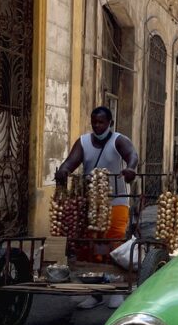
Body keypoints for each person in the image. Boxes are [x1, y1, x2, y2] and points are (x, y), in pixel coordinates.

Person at [55, 106, 139, 309]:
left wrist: (130, 168)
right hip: (92, 204)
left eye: (101, 122)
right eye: (94, 122)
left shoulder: (118, 140)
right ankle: (95, 292)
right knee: (92, 247)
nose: (97, 126)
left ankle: (118, 289)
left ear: (110, 123)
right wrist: (63, 171)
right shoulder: (83, 142)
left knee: (114, 244)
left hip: (117, 200)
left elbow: (132, 155)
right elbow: (70, 162)